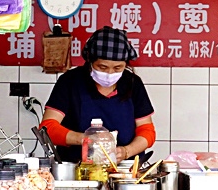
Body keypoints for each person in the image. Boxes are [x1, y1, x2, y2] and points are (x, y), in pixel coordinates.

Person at [40, 27, 156, 164]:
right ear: (90, 61)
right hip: (76, 166)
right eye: (102, 67)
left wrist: (126, 151)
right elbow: (48, 128)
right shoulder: (70, 81)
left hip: (124, 169)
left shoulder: (133, 83)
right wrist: (86, 139)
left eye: (118, 68)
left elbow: (147, 131)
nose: (110, 73)